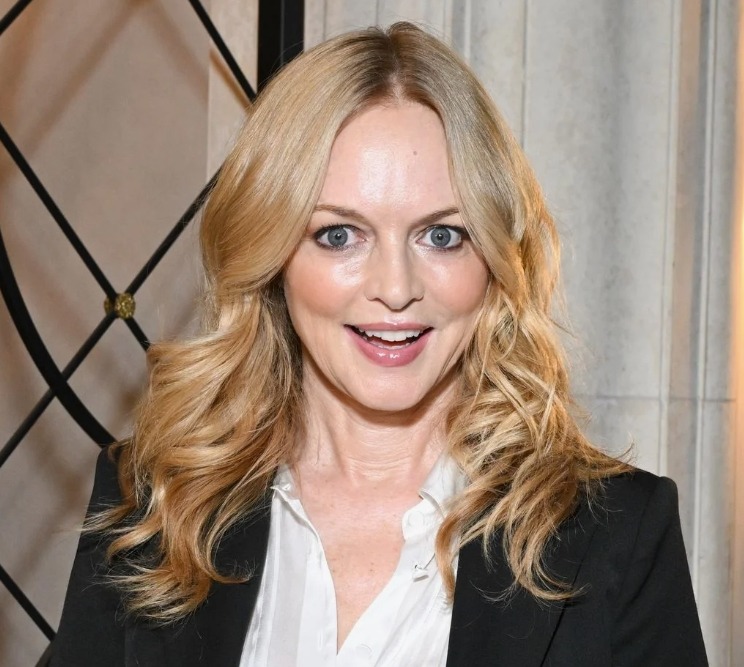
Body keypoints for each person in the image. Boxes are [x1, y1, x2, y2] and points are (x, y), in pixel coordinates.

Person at [51, 21, 708, 667]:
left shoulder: (616, 535)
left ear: (494, 260)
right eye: (339, 235)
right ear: (273, 256)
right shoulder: (155, 506)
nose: (395, 288)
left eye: (442, 235)